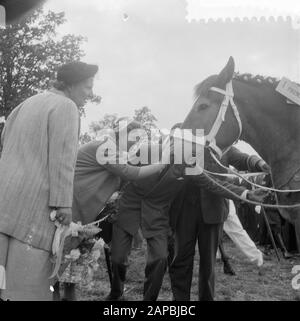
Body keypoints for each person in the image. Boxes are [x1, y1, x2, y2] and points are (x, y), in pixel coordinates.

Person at [107, 132, 269, 301]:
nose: (193, 153)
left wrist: (247, 194)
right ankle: (121, 292)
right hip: (134, 207)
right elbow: (120, 172)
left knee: (161, 259)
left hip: (158, 213)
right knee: (121, 259)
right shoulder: (147, 150)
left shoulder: (188, 163)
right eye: (189, 147)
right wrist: (108, 198)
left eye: (195, 149)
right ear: (175, 142)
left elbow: (213, 183)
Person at [0, 61, 98, 300]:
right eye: (87, 87)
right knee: (25, 288)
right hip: (35, 209)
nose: (90, 93)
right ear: (72, 85)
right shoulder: (66, 107)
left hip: (4, 201)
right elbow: (63, 160)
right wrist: (63, 204)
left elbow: (5, 143)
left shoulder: (26, 103)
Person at [53, 118, 169, 300]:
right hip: (70, 205)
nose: (135, 143)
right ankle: (51, 293)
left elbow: (123, 182)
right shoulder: (104, 147)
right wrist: (162, 164)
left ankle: (68, 296)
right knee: (57, 257)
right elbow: (131, 173)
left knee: (74, 257)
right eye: (134, 138)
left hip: (86, 213)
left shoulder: (118, 154)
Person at [168, 146, 270, 301]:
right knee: (180, 261)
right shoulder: (187, 143)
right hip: (184, 211)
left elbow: (242, 158)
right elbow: (205, 179)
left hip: (213, 212)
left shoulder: (224, 145)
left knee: (208, 264)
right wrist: (245, 193)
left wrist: (260, 163)